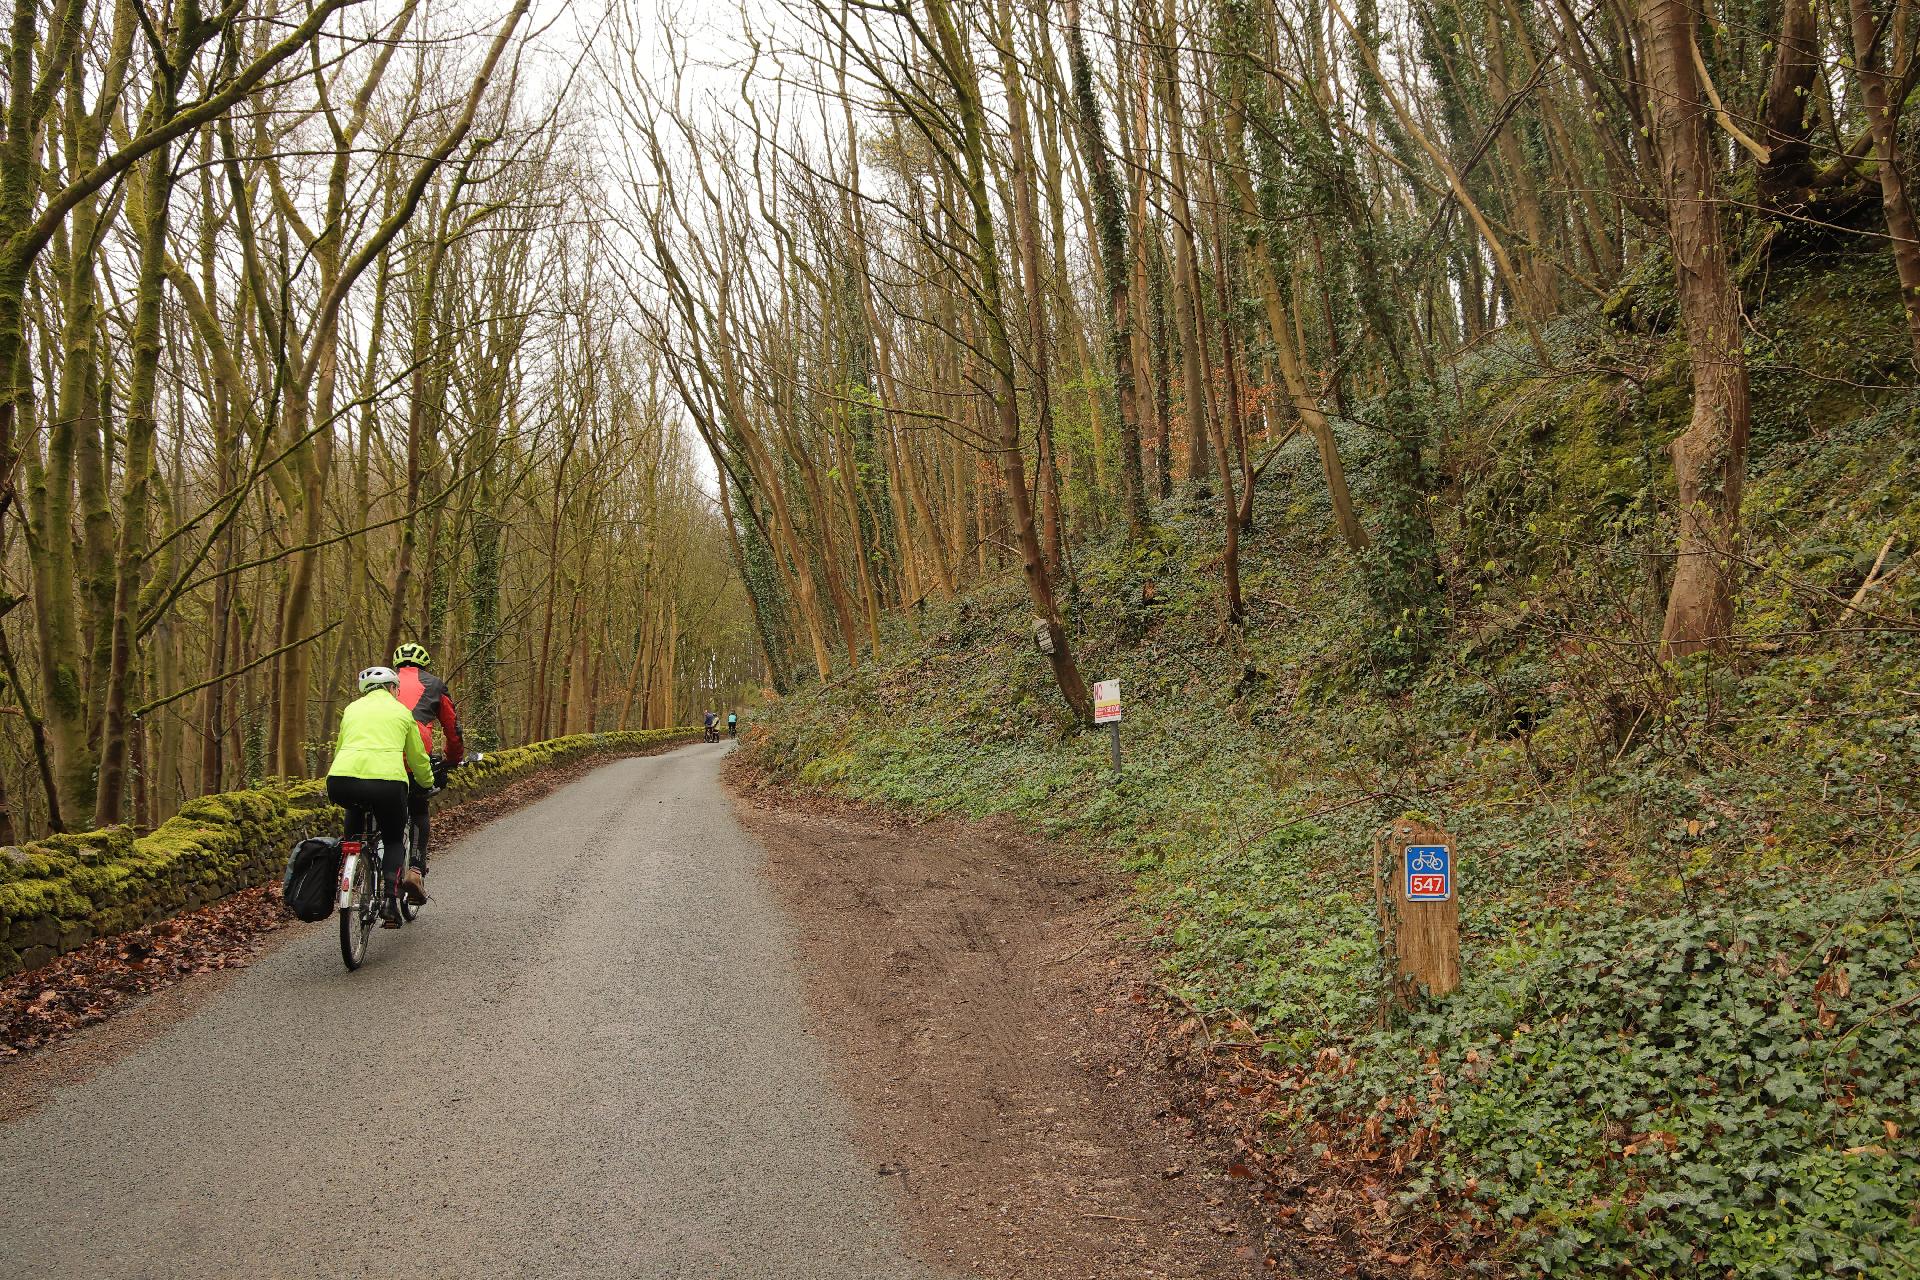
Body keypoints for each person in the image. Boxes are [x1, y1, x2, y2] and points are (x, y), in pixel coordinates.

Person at [327, 666, 435, 926]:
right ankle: (388, 899)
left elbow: (341, 749)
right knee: (394, 839)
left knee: (353, 823)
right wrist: (427, 781)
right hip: (387, 784)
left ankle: (350, 858)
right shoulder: (401, 712)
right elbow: (417, 757)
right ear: (392, 688)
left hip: (341, 781)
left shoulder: (351, 710)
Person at [391, 642, 463, 871]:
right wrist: (453, 758)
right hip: (415, 756)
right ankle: (415, 866)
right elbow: (452, 729)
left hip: (378, 754)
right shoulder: (434, 684)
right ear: (424, 664)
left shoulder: (382, 683)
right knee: (418, 808)